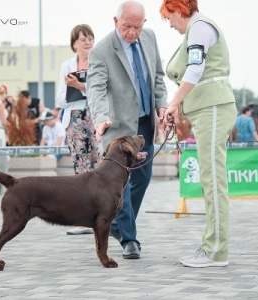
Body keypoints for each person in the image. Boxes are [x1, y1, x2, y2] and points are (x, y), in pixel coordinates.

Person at [87, 0, 167, 259]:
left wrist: (163, 106)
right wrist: (100, 118)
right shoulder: (101, 51)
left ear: (144, 24)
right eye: (126, 26)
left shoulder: (150, 38)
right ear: (115, 22)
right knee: (119, 184)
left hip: (144, 123)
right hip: (117, 129)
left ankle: (118, 225)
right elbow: (96, 88)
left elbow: (157, 77)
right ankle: (128, 239)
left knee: (141, 180)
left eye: (137, 26)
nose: (132, 32)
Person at [160, 0, 237, 268]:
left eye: (168, 17)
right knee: (210, 179)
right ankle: (212, 245)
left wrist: (172, 104)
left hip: (213, 107)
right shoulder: (197, 29)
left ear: (178, 9)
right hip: (208, 108)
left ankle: (215, 250)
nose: (169, 24)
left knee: (213, 179)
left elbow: (195, 69)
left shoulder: (200, 28)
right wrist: (176, 106)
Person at [56, 24, 102, 235]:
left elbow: (103, 92)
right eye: (83, 39)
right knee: (81, 167)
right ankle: (83, 220)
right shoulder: (67, 66)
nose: (87, 42)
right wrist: (75, 91)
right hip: (75, 118)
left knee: (99, 164)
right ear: (74, 43)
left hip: (96, 117)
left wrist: (80, 87)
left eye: (90, 38)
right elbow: (59, 99)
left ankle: (102, 216)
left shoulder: (99, 63)